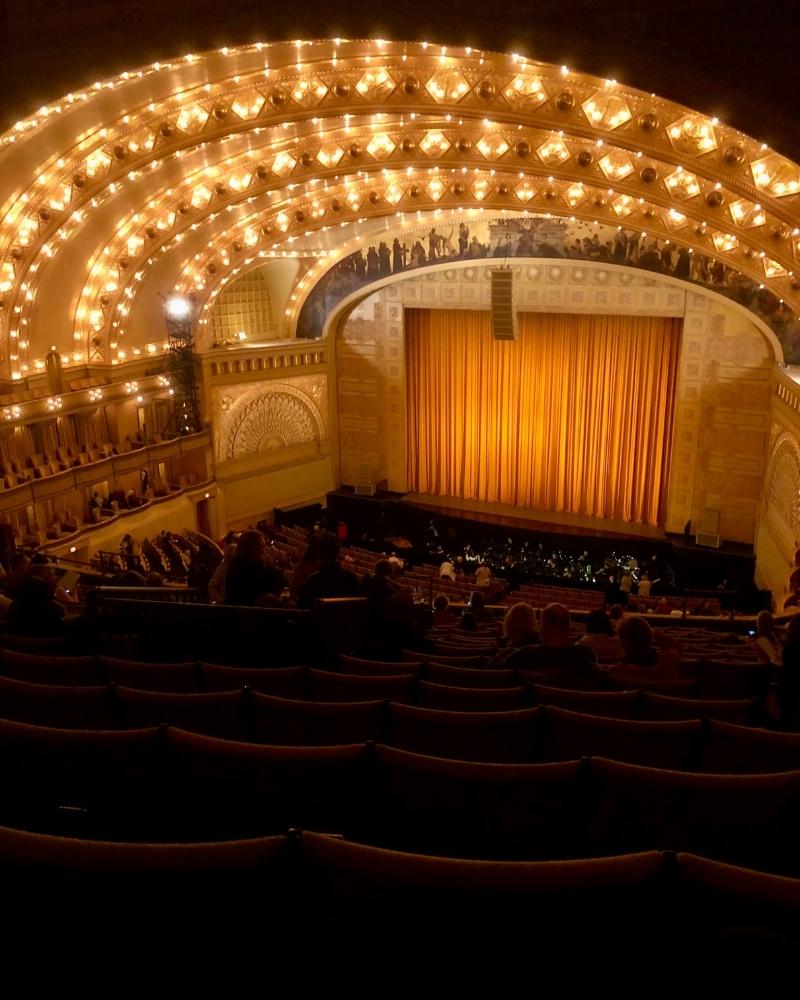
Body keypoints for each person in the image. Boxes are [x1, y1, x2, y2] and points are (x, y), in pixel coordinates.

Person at [504, 603, 599, 680]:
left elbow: (496, 670)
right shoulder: (586, 654)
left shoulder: (526, 654)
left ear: (544, 628)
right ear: (569, 628)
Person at [606, 615, 681, 682]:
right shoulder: (668, 665)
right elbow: (674, 645)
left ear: (625, 643)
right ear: (650, 637)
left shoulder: (616, 672)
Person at [297, 534, 361, 608]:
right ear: (338, 551)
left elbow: (302, 607)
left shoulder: (313, 581)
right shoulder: (351, 579)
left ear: (319, 551)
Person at [224, 530, 286, 607]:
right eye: (261, 548)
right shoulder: (247, 568)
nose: (263, 552)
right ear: (251, 549)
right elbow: (271, 583)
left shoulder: (239, 561)